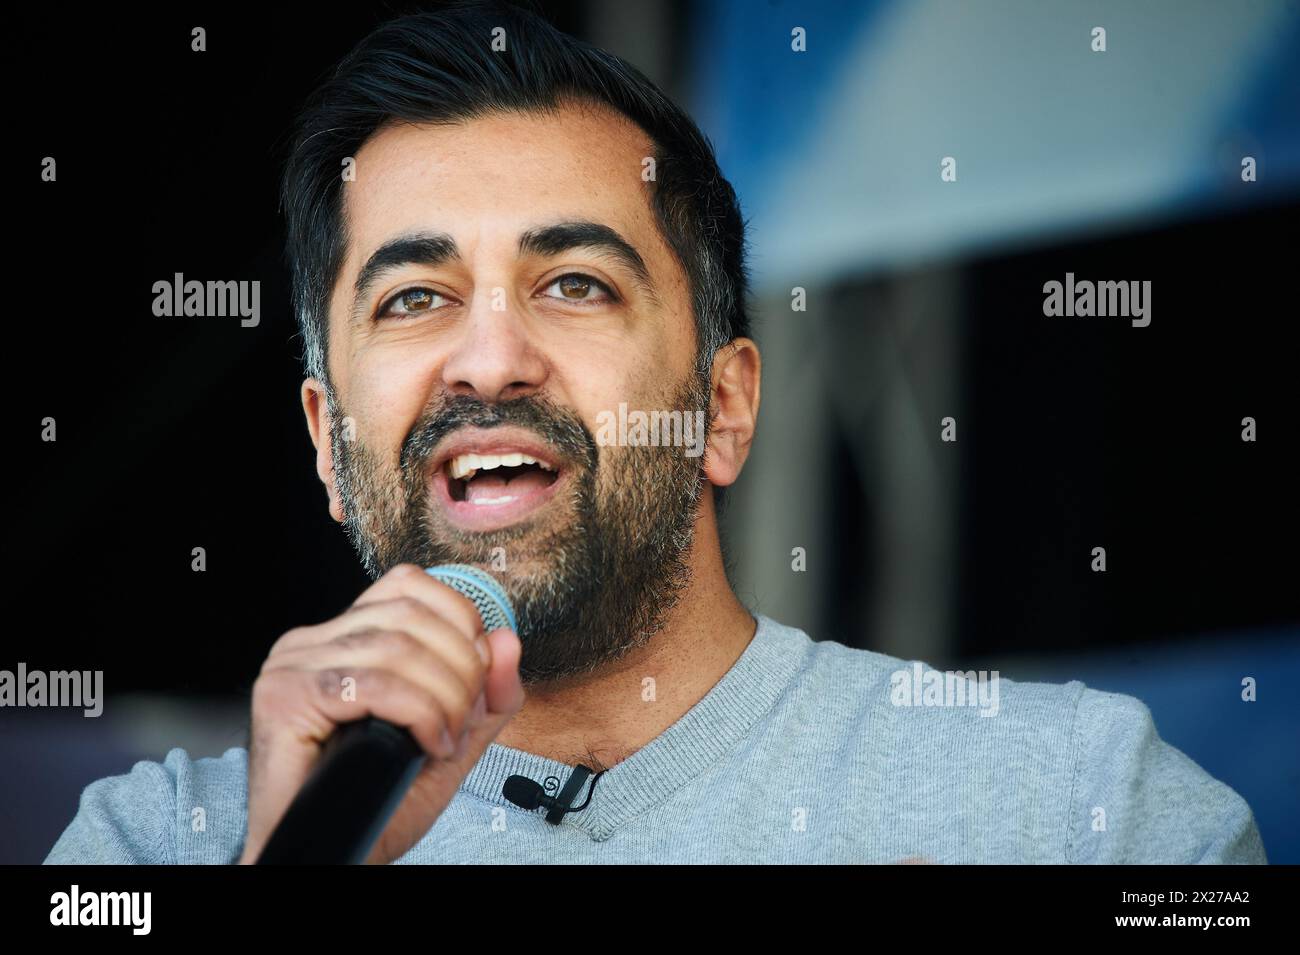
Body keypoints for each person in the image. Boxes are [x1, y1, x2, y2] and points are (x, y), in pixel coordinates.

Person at [45, 1, 1265, 865]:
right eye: (413, 297)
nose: (489, 357)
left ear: (722, 407)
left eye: (574, 281)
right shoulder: (150, 847)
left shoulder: (1082, 811)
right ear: (323, 443)